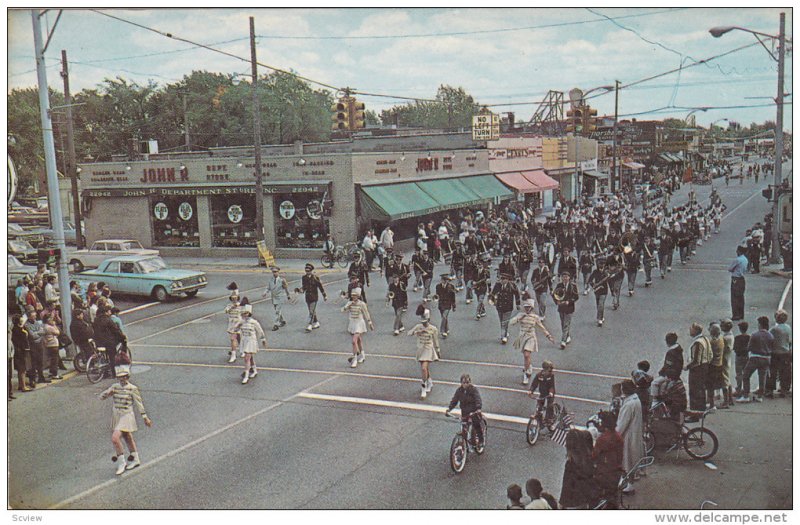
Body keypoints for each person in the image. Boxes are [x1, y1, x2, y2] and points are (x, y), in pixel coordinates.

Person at [99, 364, 153, 475]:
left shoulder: (132, 388)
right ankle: (135, 459)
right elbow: (102, 397)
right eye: (120, 376)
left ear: (128, 376)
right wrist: (106, 394)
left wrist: (145, 417)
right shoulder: (115, 387)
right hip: (117, 415)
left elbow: (139, 404)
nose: (122, 378)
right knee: (127, 436)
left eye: (124, 376)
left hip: (126, 415)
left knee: (115, 438)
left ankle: (121, 463)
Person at [510, 299, 554, 385]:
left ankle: (526, 374)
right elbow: (511, 323)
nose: (527, 309)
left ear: (532, 308)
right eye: (526, 307)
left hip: (531, 337)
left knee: (527, 355)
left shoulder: (535, 317)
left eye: (528, 307)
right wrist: (519, 319)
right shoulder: (520, 315)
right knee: (526, 357)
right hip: (522, 337)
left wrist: (548, 336)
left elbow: (542, 327)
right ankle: (529, 367)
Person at [615, 380, 644, 493]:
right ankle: (628, 481)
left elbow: (621, 425)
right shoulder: (635, 400)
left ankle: (629, 483)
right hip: (634, 434)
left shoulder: (628, 405)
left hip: (628, 436)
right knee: (631, 460)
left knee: (626, 461)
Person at [737, 316, 774, 403]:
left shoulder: (755, 335)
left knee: (746, 375)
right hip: (766, 358)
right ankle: (760, 396)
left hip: (755, 357)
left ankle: (746, 395)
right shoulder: (770, 336)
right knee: (762, 377)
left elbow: (749, 347)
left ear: (760, 324)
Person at [592, 411, 624, 507]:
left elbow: (594, 456)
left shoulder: (602, 439)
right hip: (616, 473)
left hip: (604, 474)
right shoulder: (618, 437)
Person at [560, 428, 597, 509]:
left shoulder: (570, 465)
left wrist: (562, 504)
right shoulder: (590, 461)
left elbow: (566, 486)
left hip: (573, 502)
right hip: (586, 500)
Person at [408, 305, 440, 399]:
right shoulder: (418, 326)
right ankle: (429, 381)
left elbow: (436, 340)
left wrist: (438, 350)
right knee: (425, 369)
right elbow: (409, 333)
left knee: (423, 368)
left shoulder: (433, 329)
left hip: (428, 349)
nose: (424, 323)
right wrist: (416, 332)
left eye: (425, 322)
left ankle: (423, 387)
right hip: (420, 349)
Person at [445, 374, 484, 447]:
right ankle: (464, 443)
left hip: (473, 410)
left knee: (476, 424)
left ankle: (481, 440)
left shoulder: (473, 389)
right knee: (464, 427)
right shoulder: (459, 390)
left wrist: (478, 408)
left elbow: (477, 399)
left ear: (470, 382)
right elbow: (454, 400)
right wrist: (449, 408)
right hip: (465, 411)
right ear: (461, 383)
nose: (465, 384)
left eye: (467, 382)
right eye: (464, 383)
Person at [234, 303, 267, 384]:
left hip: (251, 340)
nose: (244, 315)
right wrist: (238, 325)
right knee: (250, 357)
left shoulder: (253, 322)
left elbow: (260, 331)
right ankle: (254, 370)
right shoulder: (241, 321)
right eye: (243, 313)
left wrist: (263, 339)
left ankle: (246, 376)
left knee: (247, 358)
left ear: (249, 313)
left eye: (246, 313)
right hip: (244, 340)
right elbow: (235, 329)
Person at [341, 288, 373, 368]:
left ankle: (354, 359)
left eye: (355, 296)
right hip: (352, 323)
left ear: (358, 296)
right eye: (352, 296)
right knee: (358, 340)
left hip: (359, 323)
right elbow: (342, 310)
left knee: (354, 341)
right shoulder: (350, 303)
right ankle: (362, 356)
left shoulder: (362, 304)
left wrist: (370, 323)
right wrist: (347, 305)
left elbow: (366, 313)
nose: (353, 297)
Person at [93, 306, 126, 379]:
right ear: (106, 312)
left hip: (98, 342)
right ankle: (114, 373)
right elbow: (115, 330)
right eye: (109, 311)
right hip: (108, 342)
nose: (110, 312)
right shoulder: (108, 320)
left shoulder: (96, 320)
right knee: (112, 357)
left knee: (103, 355)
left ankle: (105, 373)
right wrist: (122, 337)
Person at [686, 323, 712, 411]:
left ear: (696, 331)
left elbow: (696, 360)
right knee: (701, 389)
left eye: (691, 329)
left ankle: (695, 411)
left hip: (697, 369)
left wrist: (687, 367)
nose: (690, 330)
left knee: (694, 390)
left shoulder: (698, 342)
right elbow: (710, 355)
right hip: (705, 366)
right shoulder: (705, 339)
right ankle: (701, 408)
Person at [766, 309, 792, 398]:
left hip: (775, 352)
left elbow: (769, 339)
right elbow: (790, 340)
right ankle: (784, 389)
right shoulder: (788, 328)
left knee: (772, 372)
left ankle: (770, 390)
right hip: (785, 353)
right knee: (784, 372)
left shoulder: (774, 329)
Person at [490, 272, 520, 344]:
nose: (502, 280)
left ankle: (504, 336)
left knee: (504, 322)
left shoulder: (512, 285)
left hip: (508, 307)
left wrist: (518, 304)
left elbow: (517, 294)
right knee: (501, 321)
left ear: (507, 280)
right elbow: (493, 293)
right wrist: (492, 301)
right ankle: (505, 332)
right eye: (501, 279)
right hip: (499, 306)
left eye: (504, 279)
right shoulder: (498, 285)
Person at [552, 272, 579, 349]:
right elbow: (554, 294)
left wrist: (569, 301)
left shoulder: (573, 286)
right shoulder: (559, 285)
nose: (565, 278)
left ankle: (563, 341)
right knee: (563, 323)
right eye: (563, 277)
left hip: (569, 308)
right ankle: (567, 336)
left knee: (566, 324)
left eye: (566, 277)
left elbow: (576, 297)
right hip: (561, 307)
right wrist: (557, 301)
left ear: (569, 278)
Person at [299, 263, 327, 333]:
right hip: (307, 297)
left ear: (311, 271)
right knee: (312, 311)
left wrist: (324, 295)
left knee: (311, 311)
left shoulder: (315, 278)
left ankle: (309, 325)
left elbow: (320, 287)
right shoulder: (304, 278)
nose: (307, 272)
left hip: (314, 297)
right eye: (306, 271)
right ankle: (316, 322)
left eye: (309, 271)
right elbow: (304, 287)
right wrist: (301, 290)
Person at [262, 266, 291, 331]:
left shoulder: (282, 280)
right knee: (277, 311)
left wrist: (288, 295)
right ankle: (282, 321)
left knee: (277, 311)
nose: (274, 273)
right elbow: (268, 288)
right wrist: (265, 292)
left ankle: (276, 324)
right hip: (274, 297)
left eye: (275, 272)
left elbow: (286, 288)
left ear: (278, 272)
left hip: (280, 297)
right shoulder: (271, 280)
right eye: (273, 272)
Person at [24, 308, 48, 386]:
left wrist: (37, 333)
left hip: (39, 344)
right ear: (29, 317)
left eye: (35, 316)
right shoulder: (26, 325)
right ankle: (33, 379)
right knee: (33, 363)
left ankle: (41, 377)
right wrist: (39, 333)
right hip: (32, 345)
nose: (35, 317)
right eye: (33, 316)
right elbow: (32, 335)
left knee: (40, 361)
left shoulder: (37, 322)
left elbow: (43, 331)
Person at [10, 315, 31, 393]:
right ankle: (23, 386)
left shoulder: (16, 328)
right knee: (22, 369)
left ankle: (20, 384)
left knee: (20, 369)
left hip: (19, 350)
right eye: (21, 320)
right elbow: (23, 337)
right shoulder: (17, 330)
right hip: (20, 351)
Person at [728, 246, 748, 321]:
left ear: (739, 251)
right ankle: (741, 313)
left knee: (734, 297)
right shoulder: (745, 259)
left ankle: (735, 314)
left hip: (735, 279)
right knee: (741, 297)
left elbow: (730, 269)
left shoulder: (737, 260)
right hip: (742, 279)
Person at [707, 323, 724, 409]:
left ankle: (711, 404)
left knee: (710, 386)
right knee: (718, 383)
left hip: (712, 365)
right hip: (719, 364)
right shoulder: (721, 340)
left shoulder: (711, 342)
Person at [588, 257, 609, 327]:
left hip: (604, 290)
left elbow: (611, 282)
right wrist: (593, 285)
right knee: (598, 304)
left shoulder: (606, 272)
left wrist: (612, 290)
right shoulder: (595, 272)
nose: (601, 265)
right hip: (597, 290)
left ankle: (599, 319)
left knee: (601, 304)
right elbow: (590, 280)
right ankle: (601, 315)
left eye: (603, 264)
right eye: (600, 264)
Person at [434, 273, 456, 338]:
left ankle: (442, 331)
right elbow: (437, 294)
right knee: (444, 317)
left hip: (447, 304)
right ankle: (447, 329)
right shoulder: (438, 286)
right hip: (441, 304)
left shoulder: (451, 286)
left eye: (446, 280)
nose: (444, 281)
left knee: (444, 316)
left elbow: (453, 296)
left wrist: (454, 305)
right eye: (443, 279)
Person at [42, 314, 62, 381]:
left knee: (51, 359)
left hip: (48, 344)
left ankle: (51, 372)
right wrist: (54, 325)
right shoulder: (49, 327)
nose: (52, 320)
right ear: (48, 320)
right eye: (51, 319)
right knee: (55, 360)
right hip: (53, 344)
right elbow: (58, 332)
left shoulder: (44, 326)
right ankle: (55, 374)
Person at [732, 321, 750, 397]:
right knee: (746, 373)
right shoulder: (749, 337)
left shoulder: (737, 338)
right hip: (746, 356)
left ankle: (738, 388)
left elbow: (734, 348)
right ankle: (746, 389)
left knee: (739, 374)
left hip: (739, 356)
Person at [720, 319, 735, 407]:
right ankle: (730, 399)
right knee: (727, 379)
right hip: (727, 359)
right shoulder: (730, 335)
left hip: (723, 360)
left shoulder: (725, 338)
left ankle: (726, 401)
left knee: (724, 381)